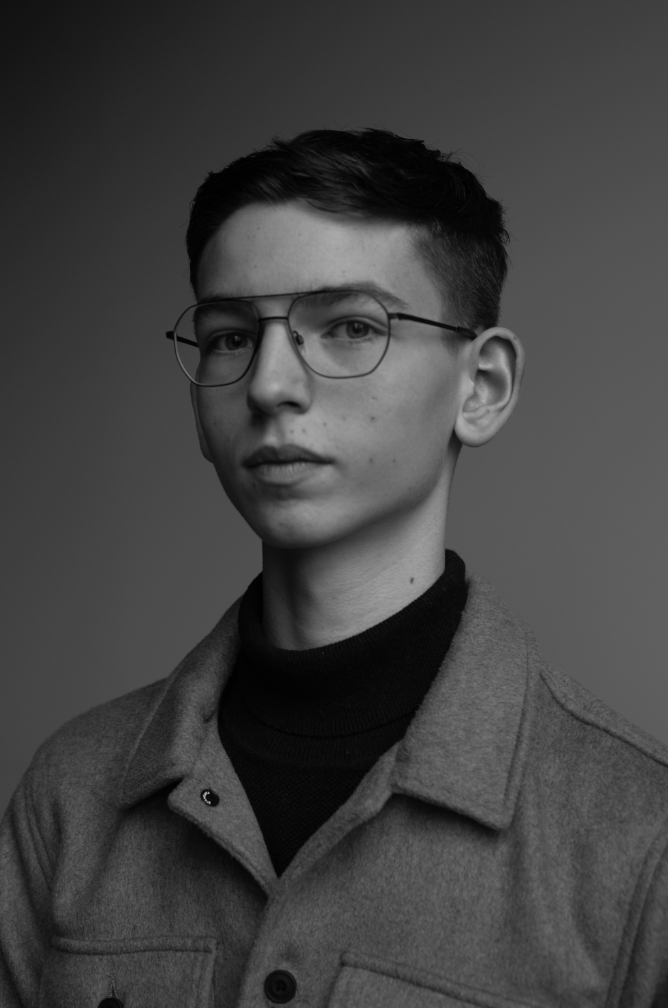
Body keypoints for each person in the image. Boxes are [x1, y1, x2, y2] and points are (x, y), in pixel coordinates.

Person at [1, 129, 667, 1008]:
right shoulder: (73, 791)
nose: (271, 383)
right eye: (230, 336)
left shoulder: (636, 832)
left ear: (483, 386)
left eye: (351, 327)